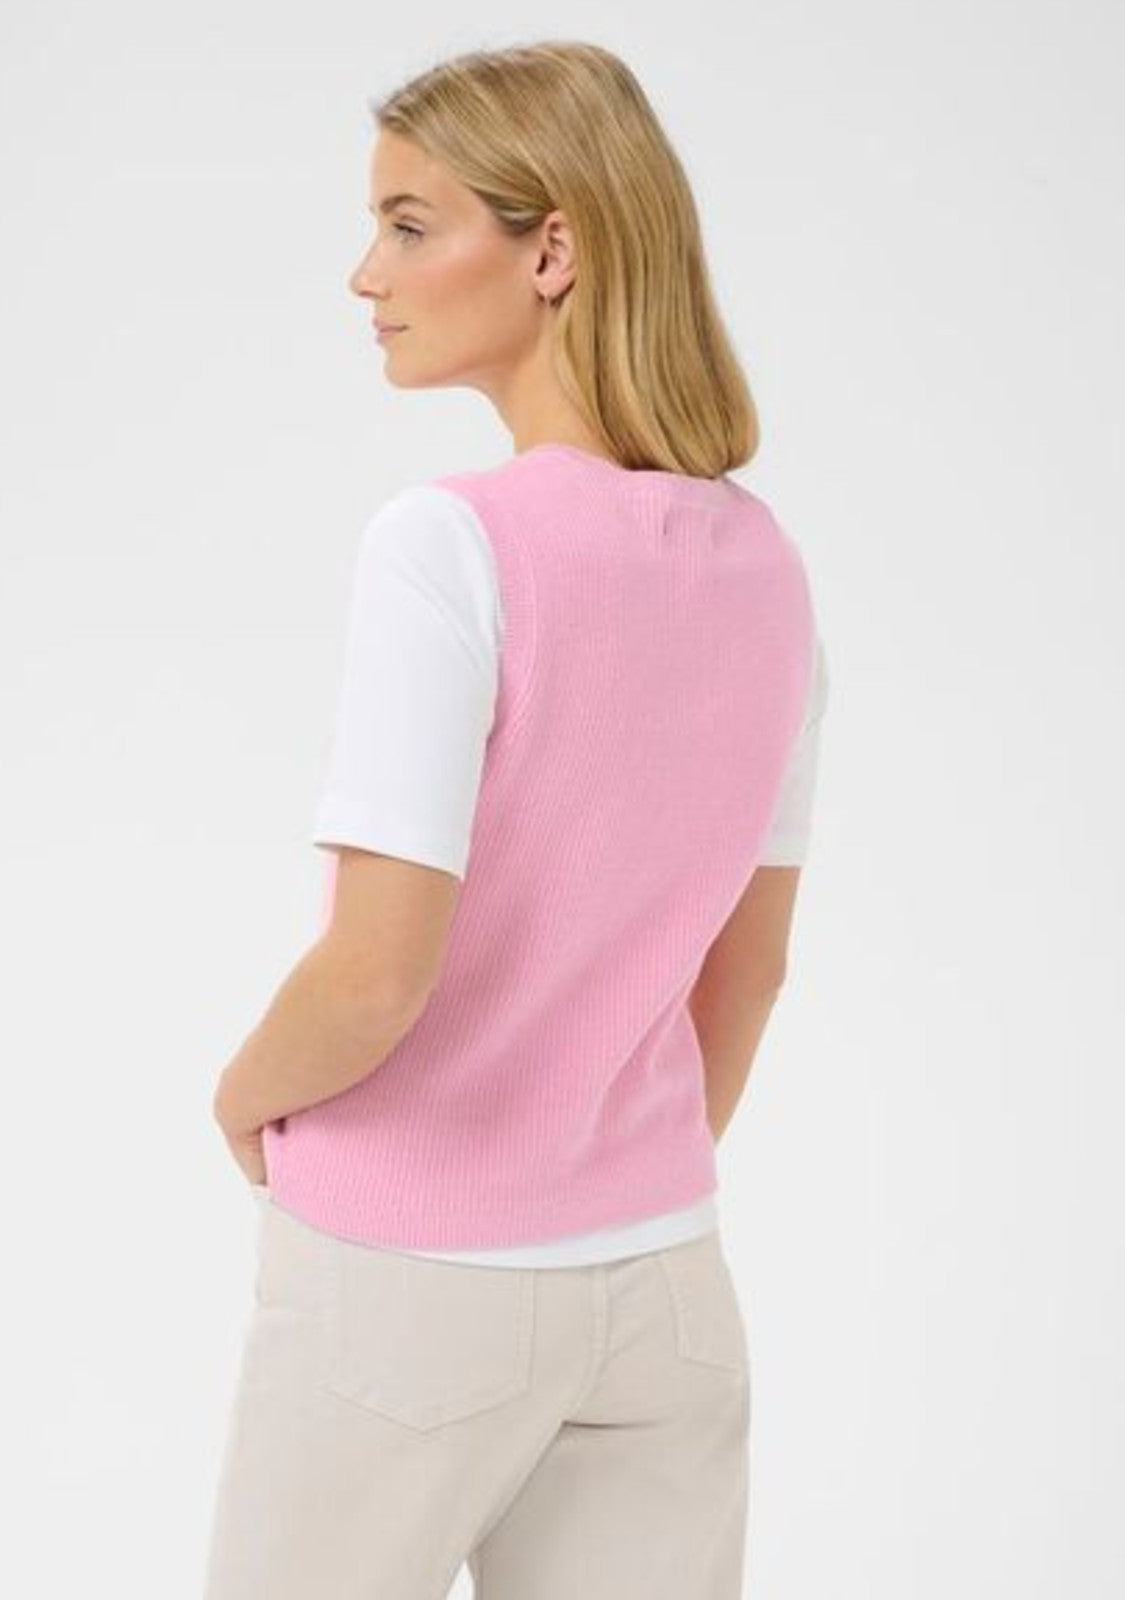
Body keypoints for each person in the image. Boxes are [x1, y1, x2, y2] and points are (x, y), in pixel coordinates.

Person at [202, 38, 830, 1600]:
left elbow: (372, 977)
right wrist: (601, 1167)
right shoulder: (771, 574)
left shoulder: (449, 548)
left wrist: (243, 1100)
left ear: (553, 249)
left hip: (410, 1288)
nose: (366, 274)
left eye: (409, 224)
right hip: (663, 1285)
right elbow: (748, 973)